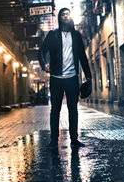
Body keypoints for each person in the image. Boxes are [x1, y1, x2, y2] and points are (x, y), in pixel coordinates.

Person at [38, 8, 91, 149]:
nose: (65, 16)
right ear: (59, 18)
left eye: (67, 14)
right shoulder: (53, 34)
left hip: (72, 78)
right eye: (63, 14)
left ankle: (74, 139)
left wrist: (89, 76)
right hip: (56, 78)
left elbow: (82, 57)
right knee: (55, 110)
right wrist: (44, 64)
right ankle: (53, 141)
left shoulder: (76, 36)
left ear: (70, 17)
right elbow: (41, 52)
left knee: (73, 109)